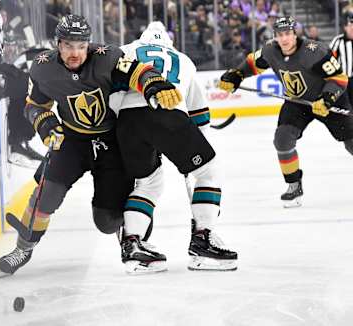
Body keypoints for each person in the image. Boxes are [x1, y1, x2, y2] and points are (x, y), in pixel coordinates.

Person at [0, 14, 182, 277]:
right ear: (57, 44)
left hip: (110, 141)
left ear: (89, 44)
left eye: (81, 46)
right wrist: (47, 127)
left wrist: (154, 83)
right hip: (71, 139)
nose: (75, 53)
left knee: (107, 221)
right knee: (45, 195)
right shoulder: (42, 68)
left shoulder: (108, 57)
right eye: (69, 45)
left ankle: (132, 239)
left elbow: (139, 71)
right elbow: (35, 106)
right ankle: (23, 248)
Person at [109, 21, 238, 273]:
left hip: (127, 122)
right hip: (168, 115)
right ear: (169, 43)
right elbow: (199, 114)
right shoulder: (183, 59)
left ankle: (133, 246)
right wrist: (195, 159)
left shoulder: (125, 51)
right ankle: (203, 241)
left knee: (149, 182)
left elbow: (112, 94)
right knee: (208, 172)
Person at [219, 16, 353, 207]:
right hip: (297, 102)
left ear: (295, 34)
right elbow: (252, 63)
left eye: (288, 34)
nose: (284, 39)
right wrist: (236, 75)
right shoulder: (270, 50)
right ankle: (293, 185)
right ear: (275, 36)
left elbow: (339, 77)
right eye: (280, 35)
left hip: (329, 101)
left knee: (351, 144)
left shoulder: (314, 51)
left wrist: (327, 99)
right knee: (282, 139)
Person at [330, 12, 353, 106]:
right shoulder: (338, 41)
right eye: (350, 25)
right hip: (342, 81)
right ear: (345, 27)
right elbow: (329, 59)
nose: (352, 28)